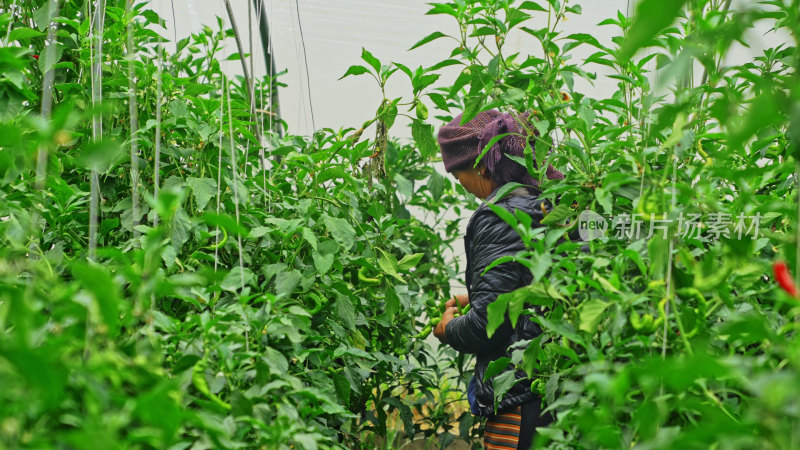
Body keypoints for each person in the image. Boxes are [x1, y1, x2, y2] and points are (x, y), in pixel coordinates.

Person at [432, 109, 564, 449]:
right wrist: (478, 296)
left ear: (479, 166)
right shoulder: (554, 204)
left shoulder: (500, 215)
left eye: (457, 174)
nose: (459, 184)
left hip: (519, 395)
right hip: (564, 390)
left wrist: (448, 329)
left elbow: (488, 327)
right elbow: (534, 288)